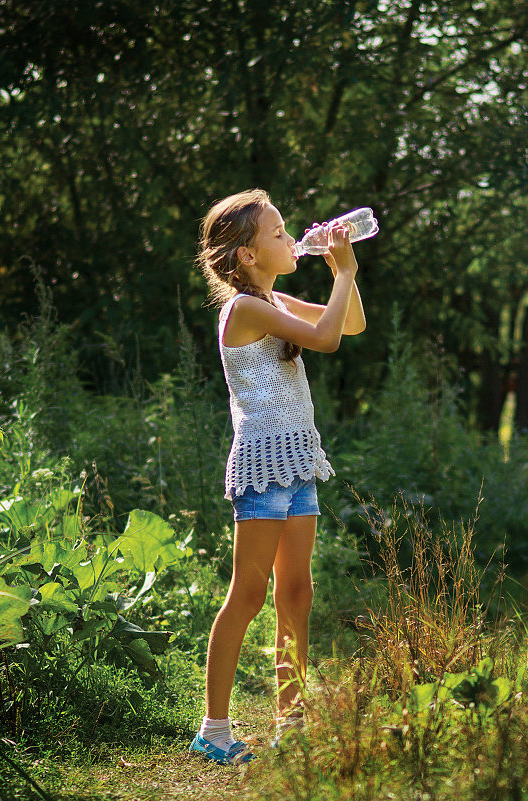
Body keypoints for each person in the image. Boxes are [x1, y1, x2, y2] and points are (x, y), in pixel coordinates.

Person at [189, 189, 365, 765]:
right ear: (245, 256)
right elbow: (328, 338)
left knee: (297, 592)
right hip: (263, 467)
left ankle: (291, 722)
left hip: (298, 463)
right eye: (280, 234)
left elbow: (353, 321)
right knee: (247, 593)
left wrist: (345, 270)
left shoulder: (275, 297)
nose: (293, 241)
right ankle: (214, 731)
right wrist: (341, 271)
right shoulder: (245, 308)